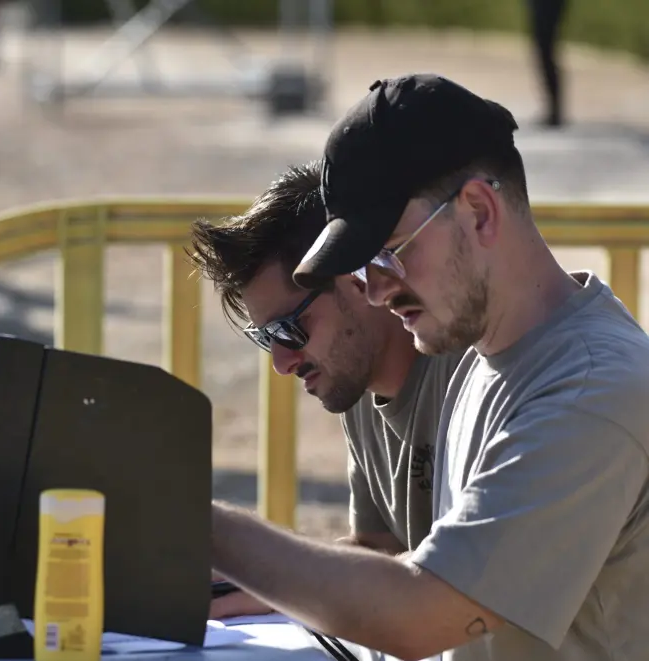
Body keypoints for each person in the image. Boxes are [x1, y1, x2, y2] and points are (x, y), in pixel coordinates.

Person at [213, 73, 649, 661]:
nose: (375, 293)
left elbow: (427, 615)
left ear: (478, 211)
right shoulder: (477, 358)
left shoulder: (590, 388)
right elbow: (398, 563)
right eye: (363, 270)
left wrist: (203, 526)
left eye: (388, 253)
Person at [186, 162, 463, 619]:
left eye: (291, 328)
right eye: (265, 337)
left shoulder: (471, 375)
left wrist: (229, 540)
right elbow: (378, 550)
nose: (281, 362)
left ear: (359, 279)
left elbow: (447, 593)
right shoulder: (358, 379)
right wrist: (238, 587)